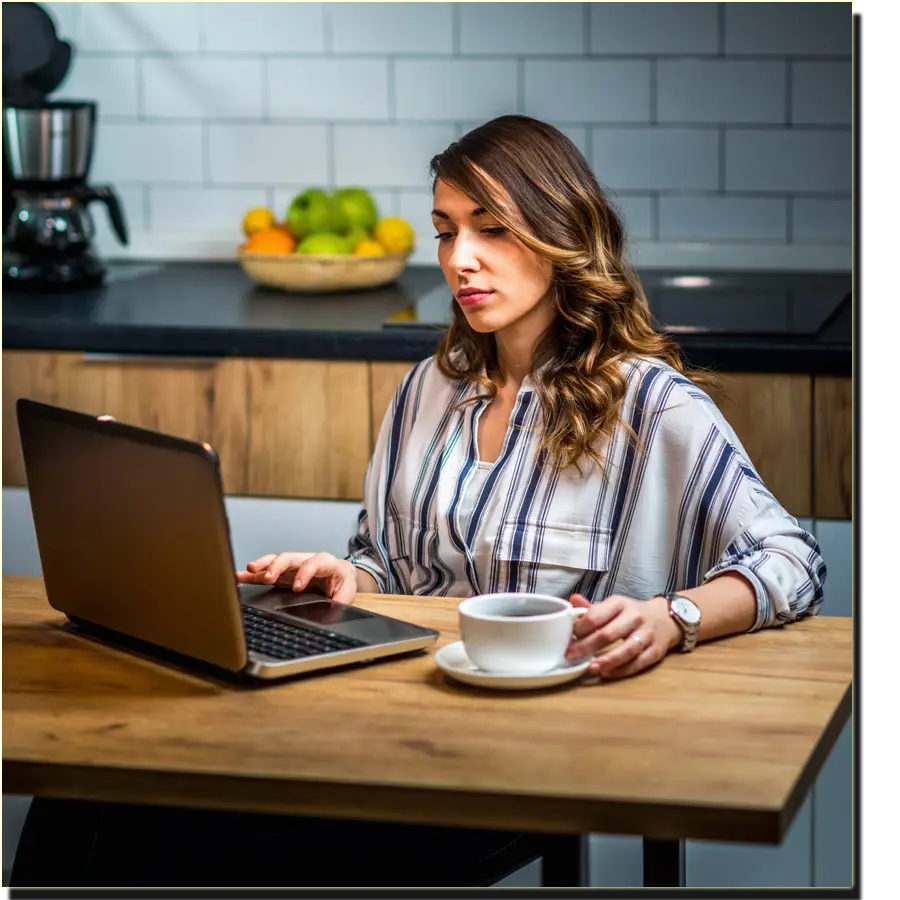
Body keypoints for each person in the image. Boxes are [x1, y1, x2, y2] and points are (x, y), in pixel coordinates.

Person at [12, 115, 825, 889]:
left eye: (492, 227)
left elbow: (790, 559)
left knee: (182, 837)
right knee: (89, 791)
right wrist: (342, 574)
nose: (459, 258)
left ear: (562, 234)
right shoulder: (428, 390)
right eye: (444, 230)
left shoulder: (651, 405)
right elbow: (386, 560)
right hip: (392, 726)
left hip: (533, 756)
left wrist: (671, 617)